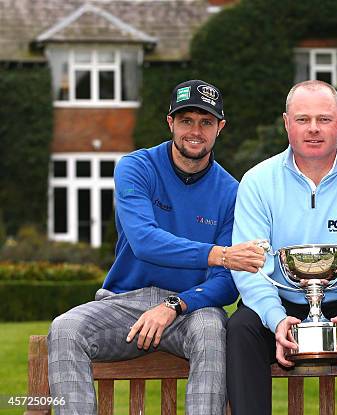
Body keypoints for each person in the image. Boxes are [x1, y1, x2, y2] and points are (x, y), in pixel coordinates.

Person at [47, 80, 265, 415]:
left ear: (220, 128)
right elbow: (144, 241)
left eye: (206, 122)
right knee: (65, 329)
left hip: (190, 309)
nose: (195, 131)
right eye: (186, 120)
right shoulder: (137, 167)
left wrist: (176, 305)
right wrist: (217, 255)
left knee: (211, 328)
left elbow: (225, 283)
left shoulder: (231, 192)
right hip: (124, 304)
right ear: (170, 123)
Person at [226, 80, 337, 415]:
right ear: (286, 122)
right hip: (280, 302)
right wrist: (275, 319)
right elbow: (250, 265)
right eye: (302, 119)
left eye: (323, 119)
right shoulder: (257, 181)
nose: (313, 129)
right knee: (240, 330)